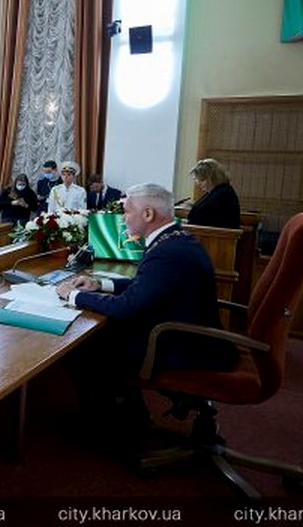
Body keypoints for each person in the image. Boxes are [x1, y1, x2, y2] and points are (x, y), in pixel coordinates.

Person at [55, 183, 238, 421]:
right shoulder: (177, 239)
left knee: (83, 346)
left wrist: (73, 295)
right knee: (101, 334)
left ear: (148, 214)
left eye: (127, 211)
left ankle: (101, 424)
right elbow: (148, 286)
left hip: (181, 344)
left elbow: (127, 306)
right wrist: (101, 285)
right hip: (188, 331)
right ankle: (131, 411)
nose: (123, 218)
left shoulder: (166, 252)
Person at [186, 158, 241, 229]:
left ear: (212, 178)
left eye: (202, 180)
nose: (198, 184)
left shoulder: (222, 194)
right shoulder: (218, 191)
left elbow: (202, 216)